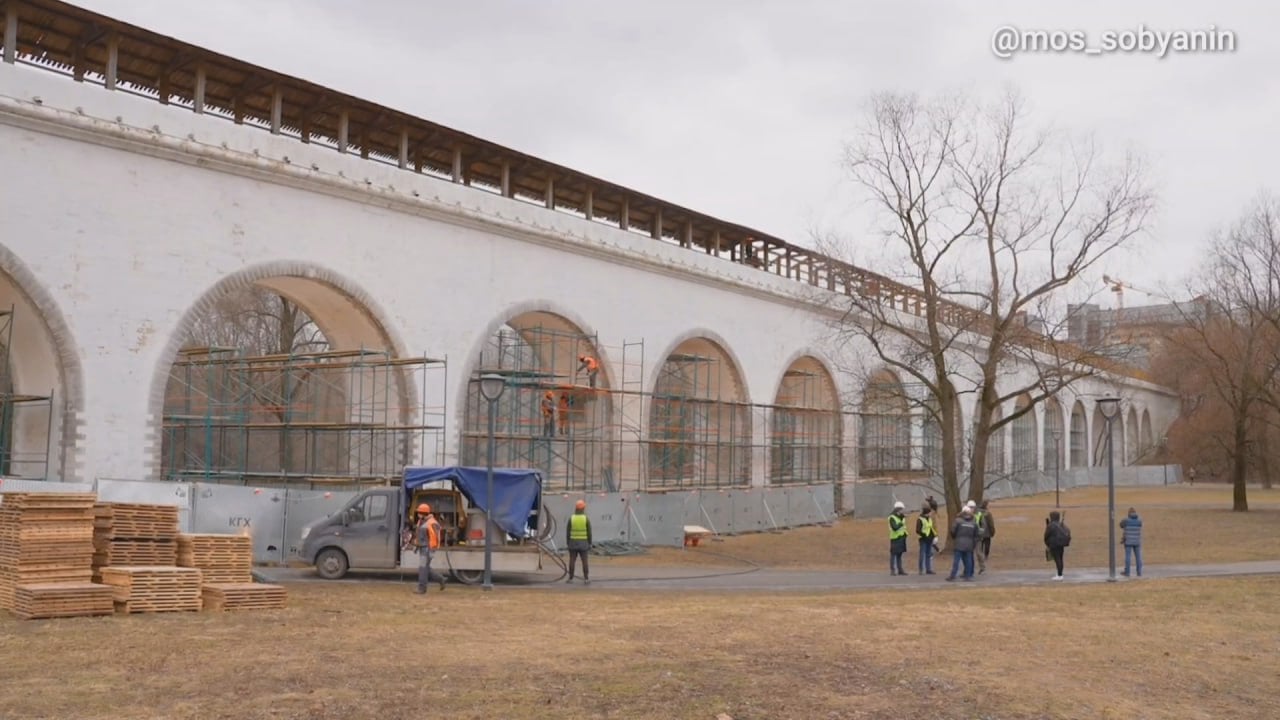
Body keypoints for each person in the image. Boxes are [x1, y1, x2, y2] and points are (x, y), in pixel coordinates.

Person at [414, 503, 447, 594]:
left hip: (427, 549)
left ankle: (422, 588)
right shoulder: (421, 521)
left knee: (423, 568)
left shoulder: (431, 523)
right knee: (425, 568)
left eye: (419, 512)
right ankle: (441, 579)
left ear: (423, 513)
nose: (417, 514)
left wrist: (432, 550)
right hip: (423, 548)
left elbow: (435, 538)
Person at [946, 507, 980, 581]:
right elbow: (976, 535)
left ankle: (953, 575)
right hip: (969, 544)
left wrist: (956, 538)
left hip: (959, 543)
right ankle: (968, 575)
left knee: (956, 561)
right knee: (968, 561)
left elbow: (952, 531)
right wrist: (973, 543)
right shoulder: (974, 523)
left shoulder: (958, 521)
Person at [566, 499, 593, 584]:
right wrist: (590, 543)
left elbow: (568, 532)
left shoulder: (572, 518)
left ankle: (570, 578)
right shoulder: (585, 519)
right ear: (583, 508)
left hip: (573, 543)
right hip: (584, 544)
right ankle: (586, 578)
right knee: (584, 561)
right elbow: (589, 532)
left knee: (572, 560)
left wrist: (568, 543)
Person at [1044, 510, 1071, 580]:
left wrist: (1047, 543)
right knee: (1060, 558)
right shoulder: (1061, 524)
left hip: (1054, 544)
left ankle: (1059, 575)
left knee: (1057, 559)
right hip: (1061, 544)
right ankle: (1060, 573)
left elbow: (1046, 535)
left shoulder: (1051, 525)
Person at [1121, 506, 1143, 577]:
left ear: (1128, 514)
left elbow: (1121, 525)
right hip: (1137, 541)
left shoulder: (1126, 521)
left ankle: (1127, 572)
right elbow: (1140, 525)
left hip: (1128, 541)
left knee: (1128, 557)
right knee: (1138, 557)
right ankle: (1139, 572)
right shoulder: (1139, 521)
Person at [888, 501, 909, 576]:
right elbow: (895, 527)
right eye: (901, 509)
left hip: (902, 537)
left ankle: (900, 569)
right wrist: (901, 523)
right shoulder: (892, 517)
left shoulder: (902, 517)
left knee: (900, 554)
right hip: (895, 537)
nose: (903, 511)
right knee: (893, 554)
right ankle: (892, 570)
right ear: (898, 510)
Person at [975, 499, 996, 573]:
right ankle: (985, 555)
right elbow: (991, 524)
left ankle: (981, 555)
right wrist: (992, 531)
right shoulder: (988, 513)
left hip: (979, 532)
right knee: (987, 544)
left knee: (981, 545)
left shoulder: (978, 512)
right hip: (987, 532)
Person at [916, 506, 937, 575]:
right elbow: (918, 530)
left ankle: (928, 569)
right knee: (922, 554)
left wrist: (934, 535)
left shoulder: (929, 519)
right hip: (923, 539)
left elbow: (931, 528)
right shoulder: (920, 519)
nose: (930, 514)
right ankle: (921, 569)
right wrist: (924, 535)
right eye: (930, 512)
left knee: (928, 554)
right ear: (927, 512)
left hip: (929, 539)